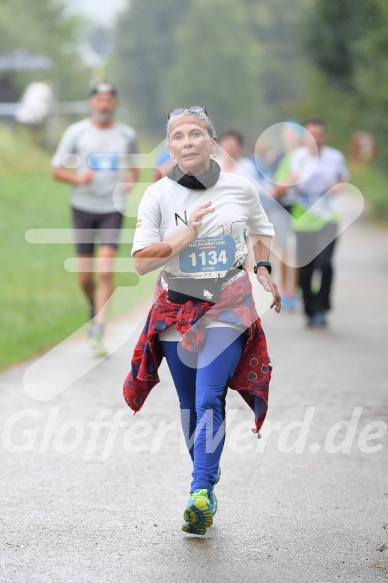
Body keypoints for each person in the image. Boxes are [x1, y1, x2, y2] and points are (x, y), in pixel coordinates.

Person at [123, 106, 281, 535]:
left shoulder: (239, 187)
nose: (187, 142)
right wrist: (185, 236)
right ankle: (207, 483)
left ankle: (197, 489)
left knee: (211, 395)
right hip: (177, 305)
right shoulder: (158, 195)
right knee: (191, 403)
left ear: (212, 142)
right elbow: (140, 263)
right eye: (178, 136)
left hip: (228, 302)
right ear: (170, 146)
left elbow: (261, 229)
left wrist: (263, 270)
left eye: (196, 134)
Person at [51, 82, 139, 356]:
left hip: (112, 208)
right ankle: (94, 305)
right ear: (92, 103)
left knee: (104, 271)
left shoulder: (126, 134)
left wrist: (129, 180)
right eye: (99, 99)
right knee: (85, 276)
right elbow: (56, 170)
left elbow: (134, 168)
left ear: (116, 104)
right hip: (83, 207)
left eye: (109, 100)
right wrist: (78, 177)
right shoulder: (77, 133)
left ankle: (99, 329)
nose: (103, 104)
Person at [290, 117, 350, 327]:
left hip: (328, 218)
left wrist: (337, 186)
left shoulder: (335, 157)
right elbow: (287, 182)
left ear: (324, 136)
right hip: (304, 219)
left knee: (324, 263)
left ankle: (322, 307)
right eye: (311, 134)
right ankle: (309, 308)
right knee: (306, 266)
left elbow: (344, 179)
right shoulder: (296, 158)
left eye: (319, 134)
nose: (315, 138)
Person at [270, 120, 304, 311]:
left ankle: (297, 287)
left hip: (300, 208)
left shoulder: (304, 156)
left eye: (290, 133)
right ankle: (285, 290)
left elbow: (297, 177)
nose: (287, 137)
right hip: (281, 206)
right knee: (283, 249)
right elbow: (274, 182)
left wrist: (282, 186)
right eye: (285, 133)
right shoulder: (280, 157)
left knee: (297, 250)